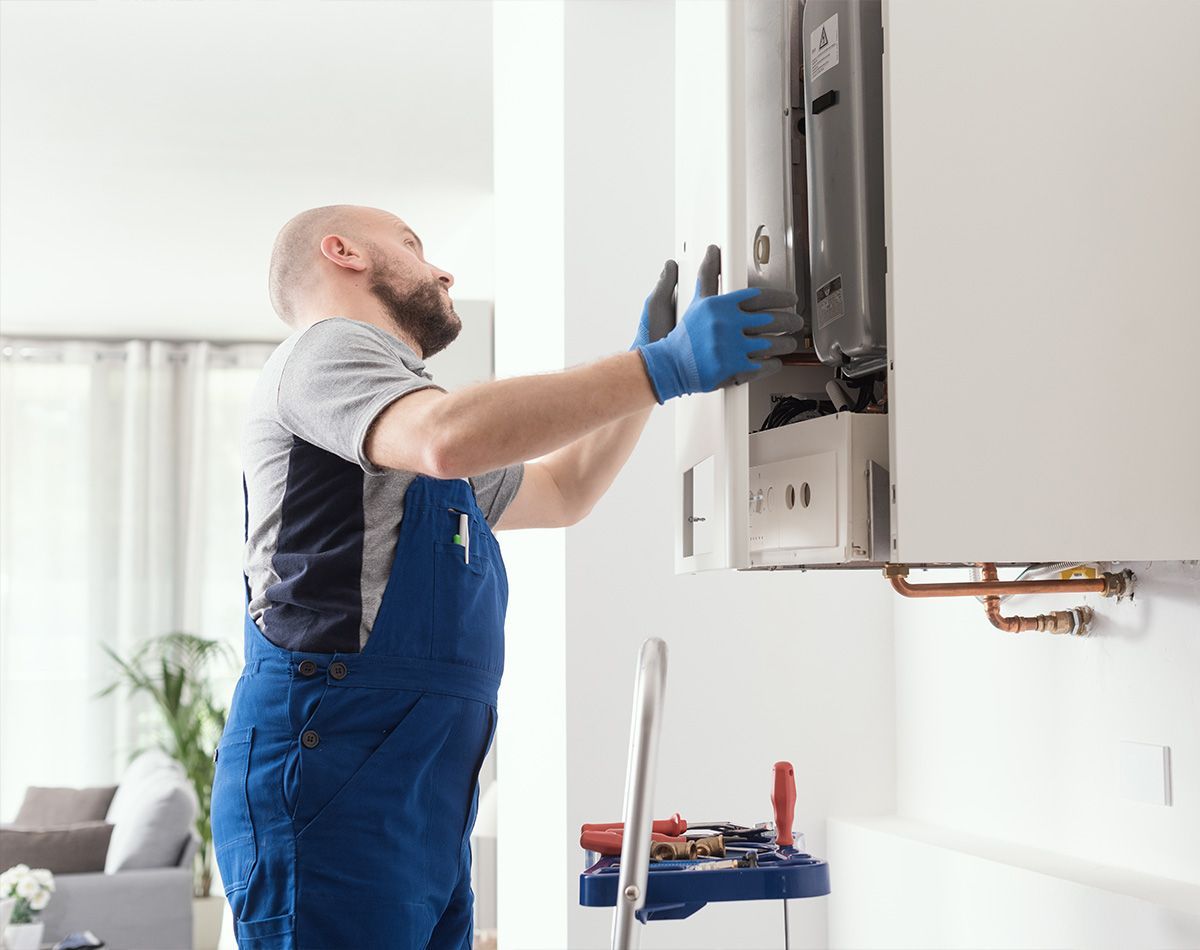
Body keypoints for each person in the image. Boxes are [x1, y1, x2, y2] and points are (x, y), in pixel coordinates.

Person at [211, 205, 798, 949]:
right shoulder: (326, 351)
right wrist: (661, 366)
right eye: (413, 245)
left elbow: (564, 492)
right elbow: (448, 436)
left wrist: (653, 374)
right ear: (343, 252)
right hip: (331, 785)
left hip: (418, 798)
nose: (443, 269)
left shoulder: (399, 431)